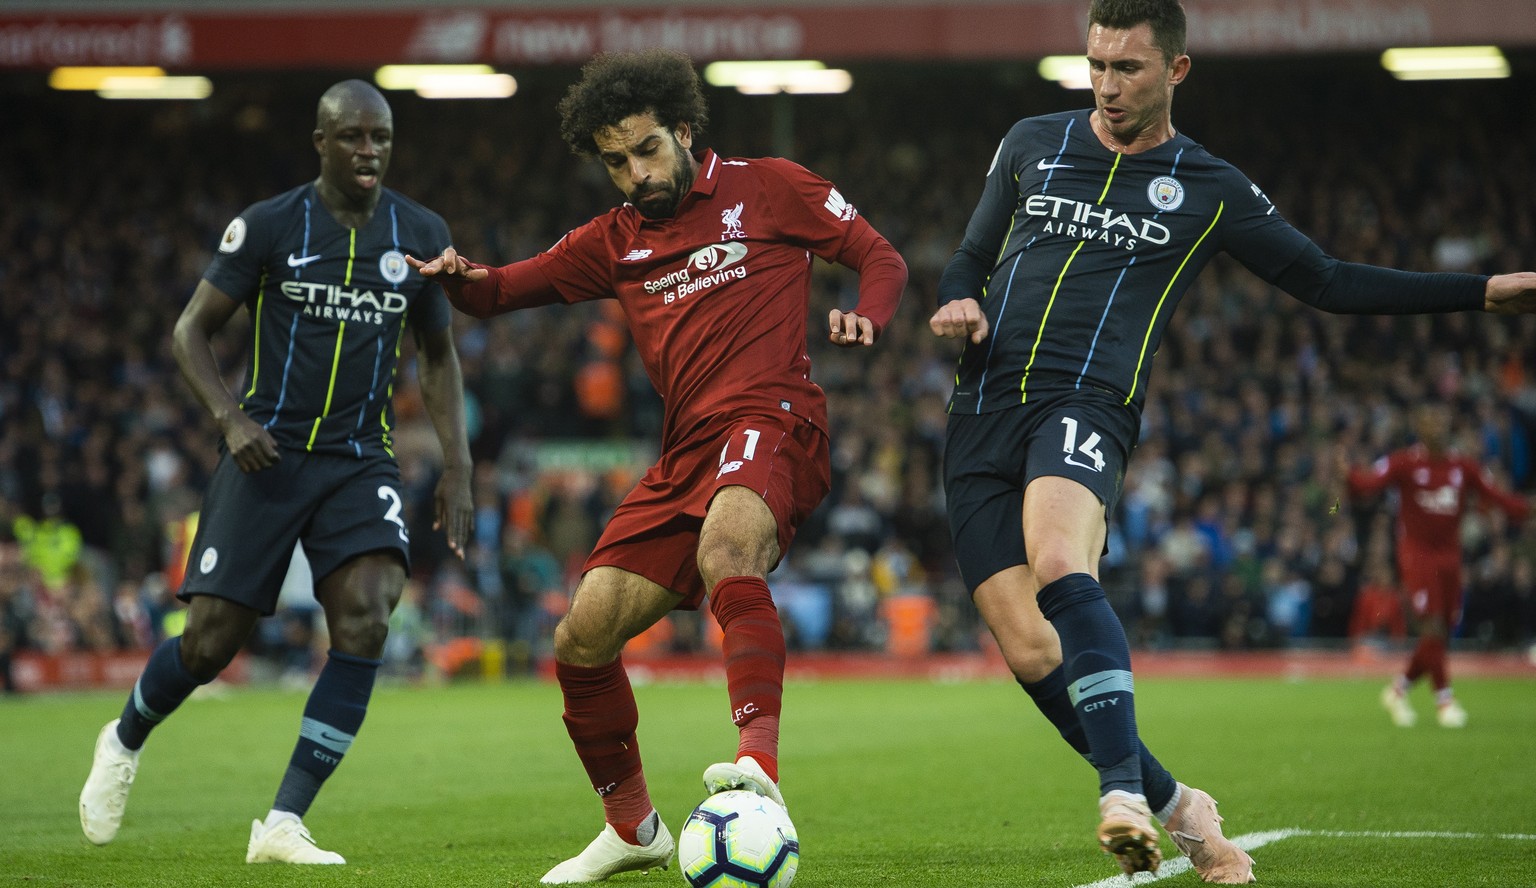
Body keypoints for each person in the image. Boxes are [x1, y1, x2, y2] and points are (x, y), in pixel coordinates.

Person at [927, 0, 1536, 881]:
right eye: (1094, 65)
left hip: (1085, 404)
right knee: (1026, 648)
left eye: (1127, 68)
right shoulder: (1030, 142)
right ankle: (1181, 808)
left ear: (1176, 70)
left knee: (1061, 561)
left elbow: (1328, 281)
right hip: (978, 409)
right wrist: (961, 299)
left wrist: (1481, 293)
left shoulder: (1206, 187)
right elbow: (968, 256)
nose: (1105, 86)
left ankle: (1121, 795)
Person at [409, 49, 906, 884]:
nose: (634, 173)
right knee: (583, 632)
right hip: (684, 457)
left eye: (645, 150)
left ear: (682, 131)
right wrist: (461, 278)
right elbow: (504, 289)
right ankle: (632, 828)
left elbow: (879, 255)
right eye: (614, 161)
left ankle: (760, 767)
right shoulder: (613, 241)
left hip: (773, 420)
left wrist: (868, 314)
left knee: (727, 553)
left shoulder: (770, 186)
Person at [78, 80, 474, 865]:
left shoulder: (419, 232)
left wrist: (458, 464)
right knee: (210, 645)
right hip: (268, 453)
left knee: (367, 614)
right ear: (320, 142)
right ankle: (123, 739)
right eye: (353, 137)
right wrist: (230, 418)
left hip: (362, 458)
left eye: (381, 138)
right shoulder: (267, 226)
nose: (369, 151)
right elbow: (190, 334)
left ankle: (284, 822)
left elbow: (438, 355)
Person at [1343, 403, 1529, 728]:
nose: (1436, 428)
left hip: (1450, 557)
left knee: (1439, 635)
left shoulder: (1463, 466)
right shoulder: (1403, 463)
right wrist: (1346, 476)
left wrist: (1526, 508)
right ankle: (1445, 701)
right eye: (1429, 422)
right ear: (1419, 428)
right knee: (1431, 627)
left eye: (1441, 421)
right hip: (1416, 555)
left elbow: (1497, 497)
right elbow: (1365, 487)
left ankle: (1398, 690)